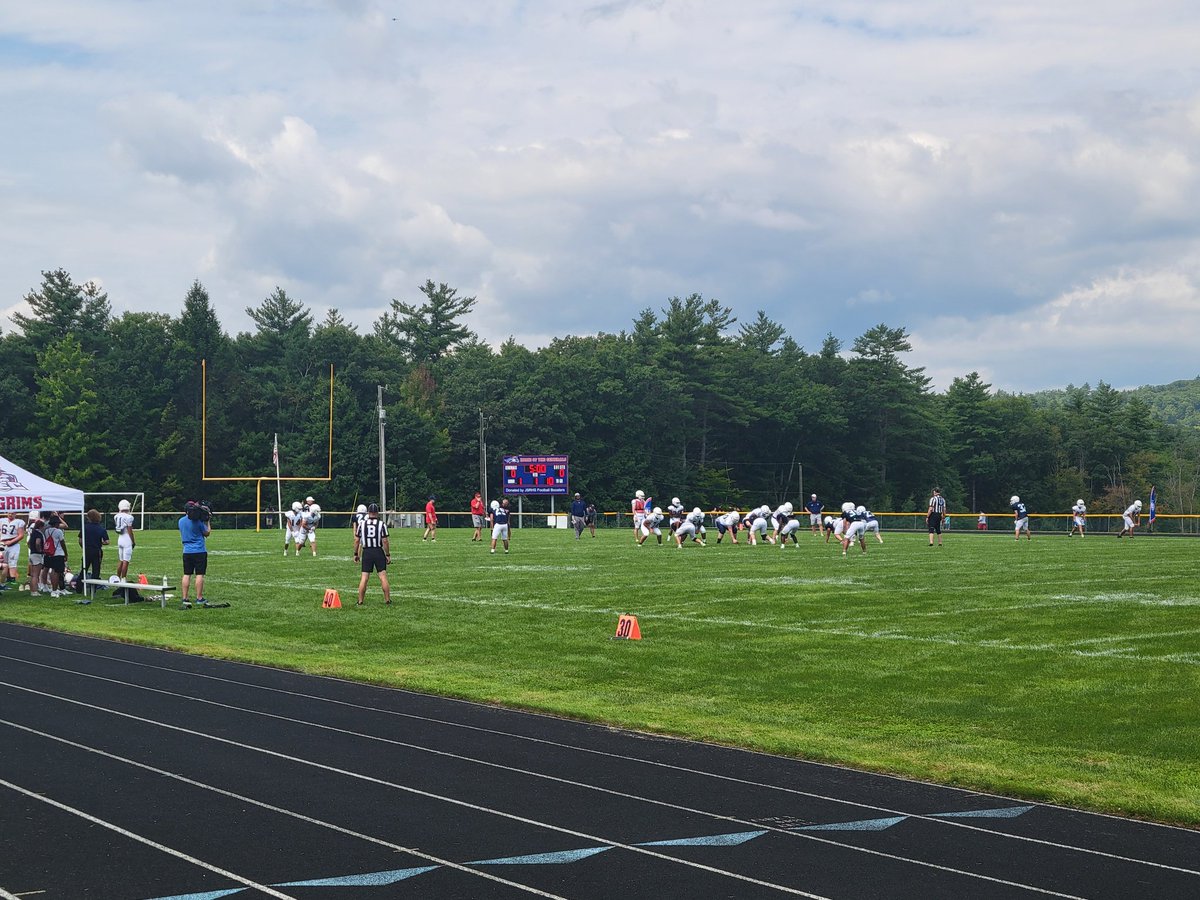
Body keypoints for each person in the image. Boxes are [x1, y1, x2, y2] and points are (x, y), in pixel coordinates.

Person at [353, 502, 391, 605]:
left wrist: (356, 553)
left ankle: (360, 601)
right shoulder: (381, 524)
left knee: (364, 577)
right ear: (377, 513)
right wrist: (387, 554)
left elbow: (357, 540)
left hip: (367, 552)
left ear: (368, 513)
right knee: (382, 576)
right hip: (378, 551)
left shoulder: (362, 524)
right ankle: (387, 600)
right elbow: (385, 541)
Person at [179, 501, 212, 607]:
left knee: (187, 574)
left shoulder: (180, 521)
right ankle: (199, 597)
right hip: (199, 550)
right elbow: (207, 533)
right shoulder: (198, 522)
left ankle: (185, 597)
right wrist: (207, 521)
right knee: (199, 574)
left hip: (186, 551)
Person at [76, 509, 109, 589]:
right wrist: (99, 543)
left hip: (87, 550)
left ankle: (79, 587)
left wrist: (83, 547)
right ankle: (93, 588)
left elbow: (80, 540)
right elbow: (107, 541)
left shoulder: (85, 527)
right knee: (96, 570)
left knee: (84, 568)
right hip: (96, 551)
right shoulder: (101, 529)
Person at [0, 511, 25, 590]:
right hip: (2, 544)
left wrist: (11, 542)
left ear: (15, 514)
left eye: (12, 513)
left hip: (13, 544)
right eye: (9, 513)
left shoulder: (19, 522)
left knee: (13, 561)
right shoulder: (2, 520)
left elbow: (21, 535)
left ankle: (12, 579)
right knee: (3, 562)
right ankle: (5, 579)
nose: (10, 514)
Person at [44, 514, 68, 596]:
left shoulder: (47, 531)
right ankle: (54, 590)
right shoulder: (59, 531)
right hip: (58, 553)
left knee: (51, 570)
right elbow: (62, 543)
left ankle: (53, 588)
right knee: (57, 572)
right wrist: (66, 553)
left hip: (49, 553)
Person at [113, 499, 136, 581]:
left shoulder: (116, 516)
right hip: (127, 539)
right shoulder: (129, 517)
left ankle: (117, 578)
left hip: (120, 539)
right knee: (126, 561)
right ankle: (123, 579)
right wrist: (133, 541)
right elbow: (130, 531)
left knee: (121, 560)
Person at [26, 516, 47, 593]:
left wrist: (32, 549)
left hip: (32, 554)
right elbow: (37, 543)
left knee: (33, 575)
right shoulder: (39, 533)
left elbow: (28, 543)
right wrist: (40, 550)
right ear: (41, 526)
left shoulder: (33, 533)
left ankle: (33, 590)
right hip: (37, 555)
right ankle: (34, 591)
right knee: (36, 575)